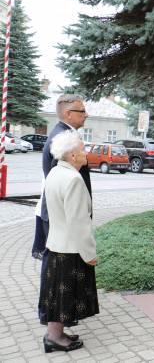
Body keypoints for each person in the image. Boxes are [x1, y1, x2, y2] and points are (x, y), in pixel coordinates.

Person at [38, 130, 98, 353]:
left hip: (56, 246)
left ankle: (56, 333)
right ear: (73, 155)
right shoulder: (73, 179)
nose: (86, 153)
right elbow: (79, 222)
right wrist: (90, 254)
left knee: (55, 294)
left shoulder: (55, 172)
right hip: (70, 249)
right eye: (83, 149)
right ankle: (54, 338)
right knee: (63, 297)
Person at [33, 94, 92, 259]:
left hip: (63, 217)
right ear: (68, 114)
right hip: (64, 219)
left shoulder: (65, 134)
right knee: (58, 270)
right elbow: (58, 181)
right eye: (82, 111)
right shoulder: (62, 138)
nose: (86, 114)